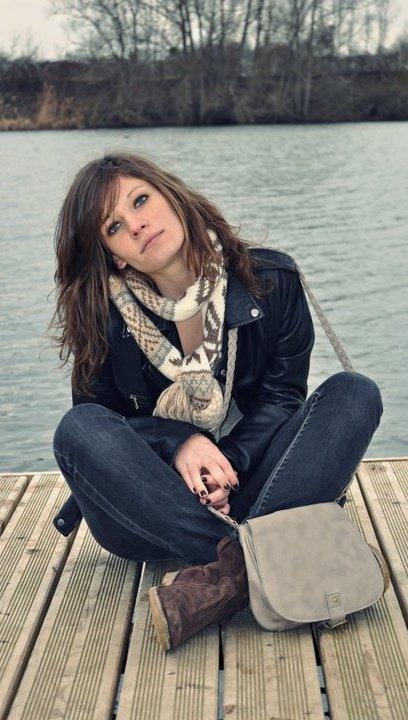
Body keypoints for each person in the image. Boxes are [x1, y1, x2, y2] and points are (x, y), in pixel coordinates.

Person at [51, 152, 383, 651]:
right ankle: (262, 558)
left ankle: (225, 577)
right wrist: (180, 443)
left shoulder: (271, 281)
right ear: (115, 255)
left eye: (141, 201)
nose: (137, 225)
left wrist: (227, 466)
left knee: (355, 393)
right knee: (75, 430)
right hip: (148, 514)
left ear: (171, 198)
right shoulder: (103, 315)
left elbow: (281, 399)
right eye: (114, 227)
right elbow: (101, 428)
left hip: (251, 486)